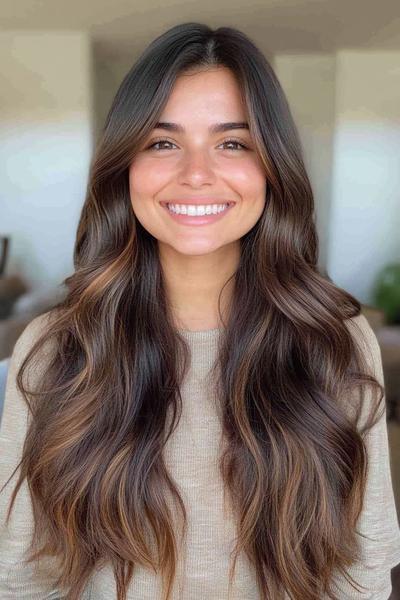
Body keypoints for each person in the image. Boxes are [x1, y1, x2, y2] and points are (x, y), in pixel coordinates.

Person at [1, 21, 400, 600]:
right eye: (162, 142)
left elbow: (360, 571)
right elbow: (23, 575)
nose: (196, 174)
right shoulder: (57, 347)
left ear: (272, 167)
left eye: (233, 142)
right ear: (124, 166)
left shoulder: (335, 339)